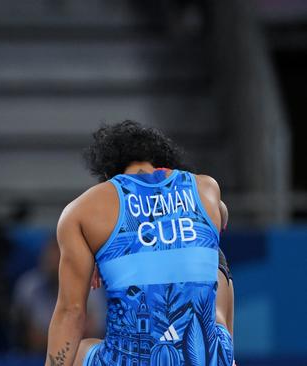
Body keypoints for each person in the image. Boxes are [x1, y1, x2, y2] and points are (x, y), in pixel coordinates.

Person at [46, 120, 235, 366]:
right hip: (201, 358)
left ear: (107, 176)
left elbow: (71, 312)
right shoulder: (206, 188)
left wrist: (97, 252)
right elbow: (222, 215)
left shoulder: (82, 211)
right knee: (216, 260)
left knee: (82, 350)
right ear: (164, 164)